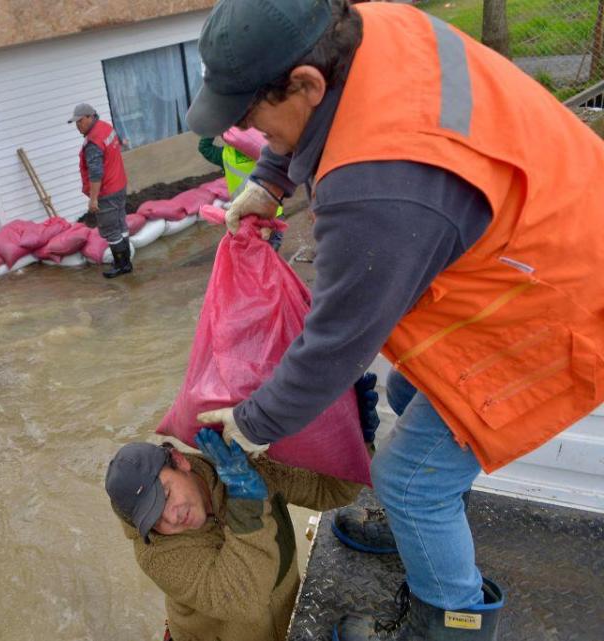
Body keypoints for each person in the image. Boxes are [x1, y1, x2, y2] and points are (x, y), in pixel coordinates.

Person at [185, 0, 604, 639]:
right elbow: (311, 122)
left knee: (408, 480)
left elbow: (337, 343)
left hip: (556, 302)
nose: (243, 130)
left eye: (250, 118)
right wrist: (272, 177)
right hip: (551, 214)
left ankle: (451, 623)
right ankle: (431, 531)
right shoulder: (372, 24)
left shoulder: (378, 188)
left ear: (305, 83)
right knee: (410, 386)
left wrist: (252, 423)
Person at [105, 378, 380, 641]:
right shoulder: (156, 552)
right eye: (153, 518)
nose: (170, 517)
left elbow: (330, 491)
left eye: (165, 494)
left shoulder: (245, 464)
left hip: (285, 621)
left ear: (180, 460)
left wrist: (354, 439)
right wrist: (246, 502)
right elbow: (244, 600)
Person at [68, 103, 132, 278]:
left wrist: (93, 199)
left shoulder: (93, 142)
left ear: (90, 117)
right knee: (120, 223)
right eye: (75, 123)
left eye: (80, 121)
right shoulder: (106, 127)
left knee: (111, 229)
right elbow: (118, 144)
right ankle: (126, 260)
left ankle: (122, 265)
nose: (78, 126)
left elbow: (96, 174)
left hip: (107, 191)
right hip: (119, 184)